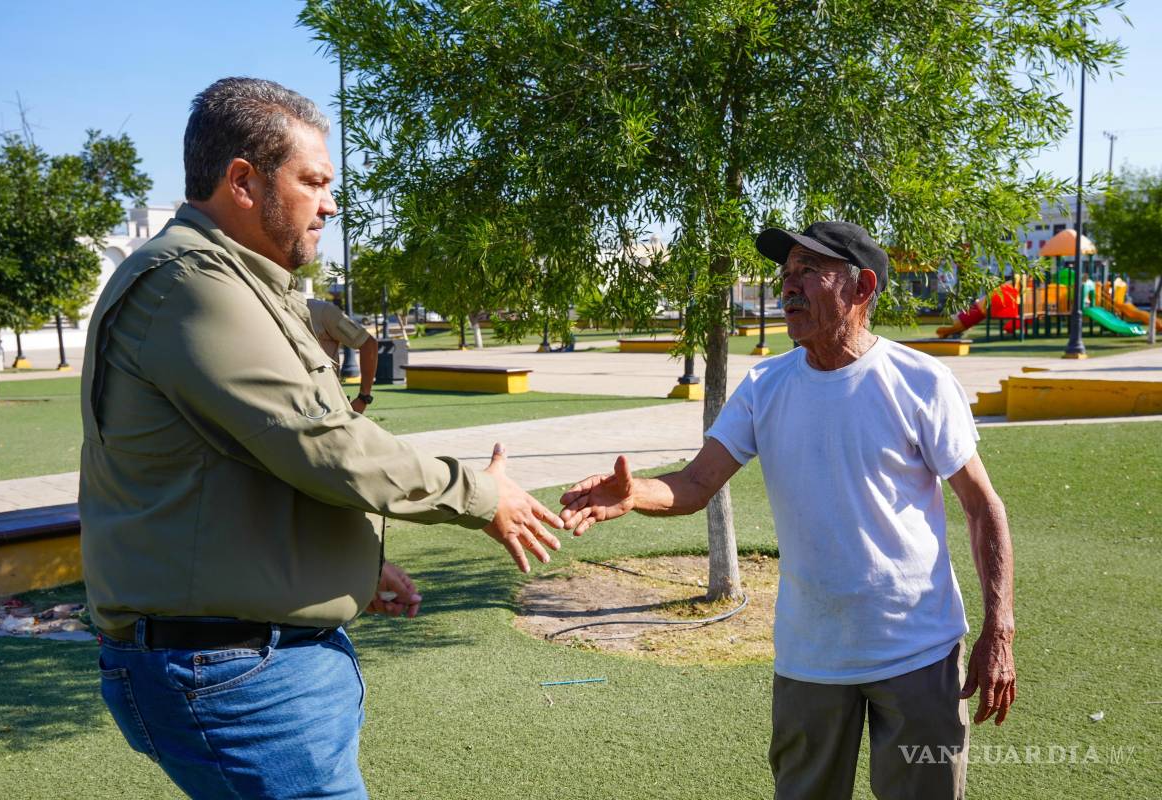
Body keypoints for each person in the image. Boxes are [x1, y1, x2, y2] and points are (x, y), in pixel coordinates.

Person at [79, 77, 563, 799]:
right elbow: (321, 444)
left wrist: (343, 565)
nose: (330, 205)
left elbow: (245, 461)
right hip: (231, 673)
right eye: (313, 181)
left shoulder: (240, 282)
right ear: (242, 180)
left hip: (247, 657)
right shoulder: (190, 286)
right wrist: (480, 494)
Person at [559, 221, 1015, 800]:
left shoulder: (920, 382)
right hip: (812, 655)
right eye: (785, 273)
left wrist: (999, 629)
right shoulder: (765, 385)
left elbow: (983, 509)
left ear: (861, 287)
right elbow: (696, 483)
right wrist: (634, 493)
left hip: (916, 649)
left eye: (807, 271)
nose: (787, 287)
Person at [307, 297, 378, 413]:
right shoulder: (269, 315)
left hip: (324, 408)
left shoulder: (321, 311)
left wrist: (363, 398)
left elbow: (368, 344)